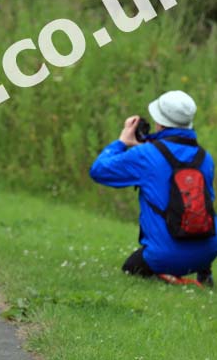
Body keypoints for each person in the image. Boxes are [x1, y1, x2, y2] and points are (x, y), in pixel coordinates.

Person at [90, 90, 216, 286]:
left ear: (159, 122)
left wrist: (122, 142)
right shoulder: (204, 158)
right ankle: (202, 274)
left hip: (164, 256)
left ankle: (172, 276)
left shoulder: (146, 154)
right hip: (209, 251)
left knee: (131, 268)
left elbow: (98, 170)